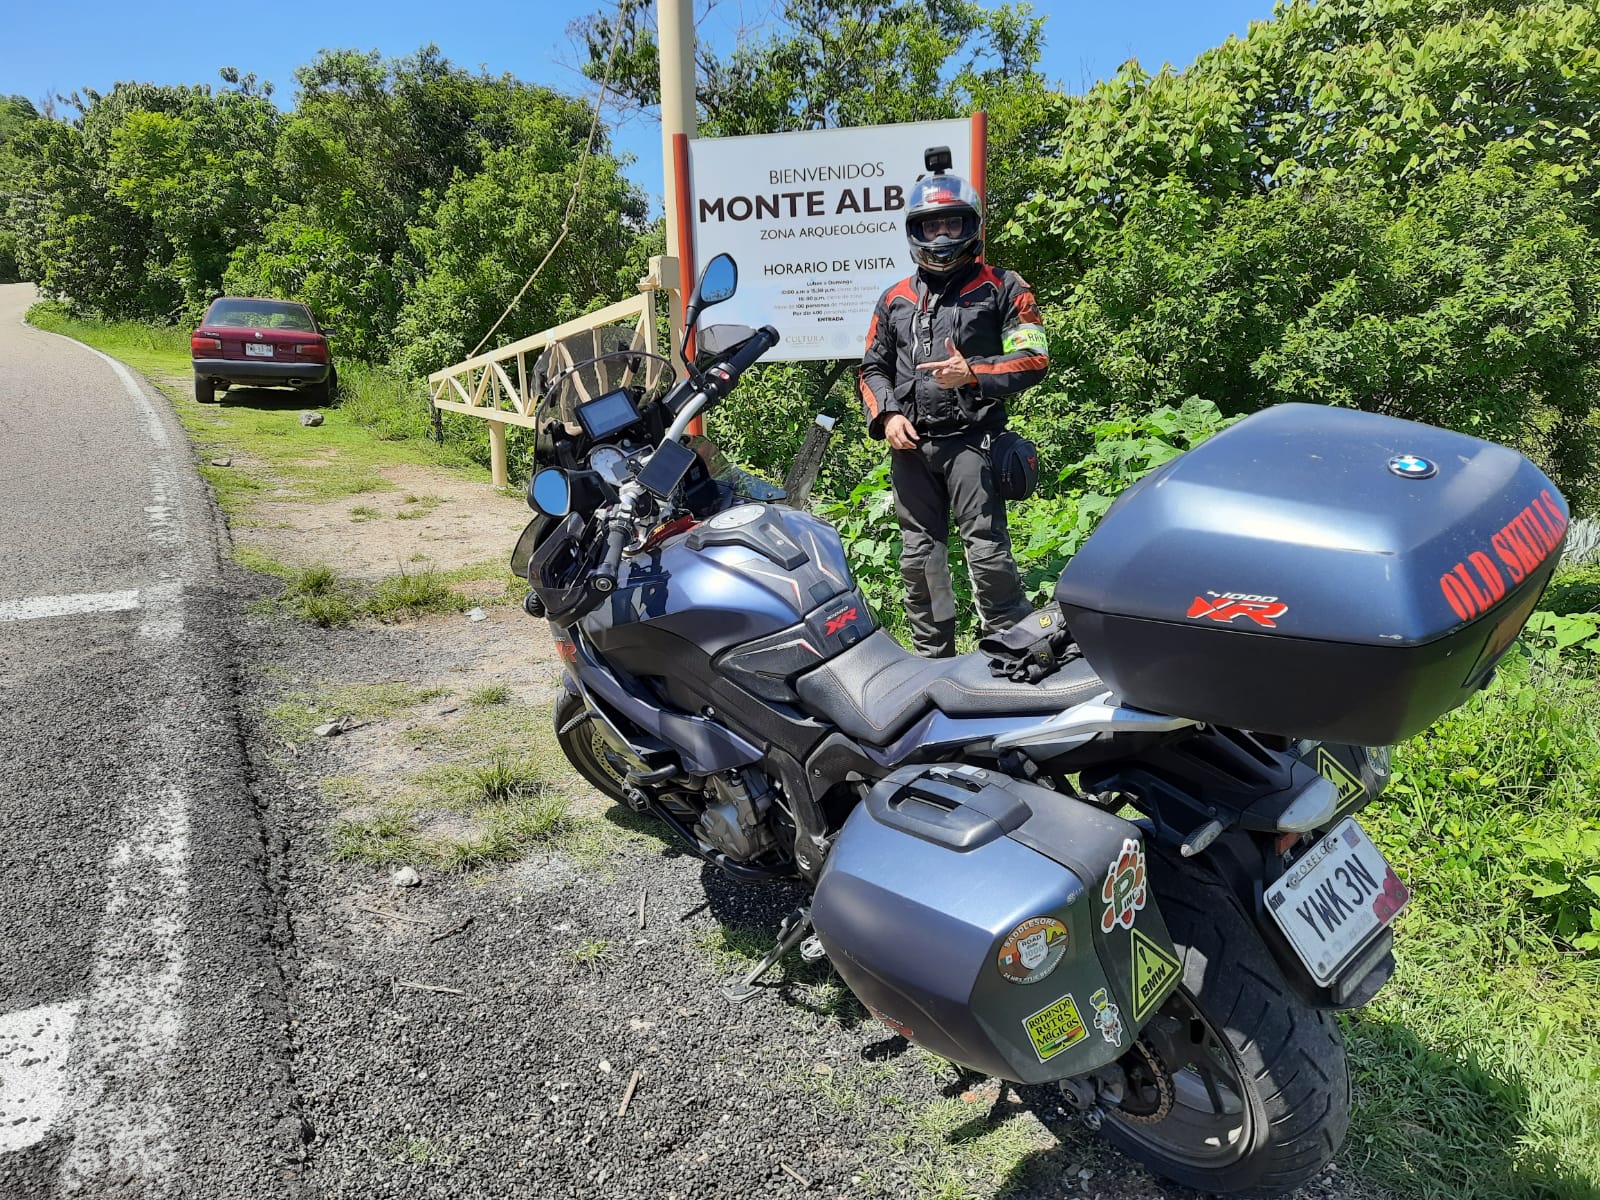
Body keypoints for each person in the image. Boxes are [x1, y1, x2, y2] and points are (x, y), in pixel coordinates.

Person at [857, 159, 1050, 658]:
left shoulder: (1004, 286)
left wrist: (974, 373)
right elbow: (871, 368)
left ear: (972, 225)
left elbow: (1034, 358)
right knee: (921, 560)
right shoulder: (894, 298)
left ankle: (1013, 649)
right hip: (912, 449)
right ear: (915, 231)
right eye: (931, 225)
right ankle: (932, 658)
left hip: (975, 441)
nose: (942, 234)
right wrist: (888, 416)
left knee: (986, 552)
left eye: (952, 222)